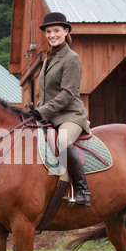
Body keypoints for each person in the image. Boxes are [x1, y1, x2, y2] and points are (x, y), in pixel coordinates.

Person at [30, 12, 91, 206]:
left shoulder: (71, 58)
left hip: (70, 116)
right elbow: (46, 93)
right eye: (48, 31)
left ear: (65, 31)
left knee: (63, 141)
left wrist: (42, 112)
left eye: (56, 30)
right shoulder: (48, 60)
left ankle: (82, 191)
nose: (51, 35)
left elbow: (66, 94)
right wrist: (35, 110)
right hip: (50, 116)